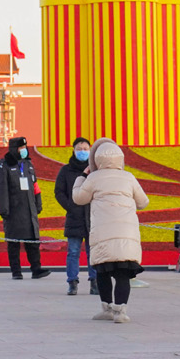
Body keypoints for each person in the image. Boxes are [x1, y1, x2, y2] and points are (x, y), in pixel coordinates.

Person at [75, 137, 150, 323]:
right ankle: (121, 312)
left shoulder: (93, 177)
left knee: (103, 271)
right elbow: (143, 202)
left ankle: (106, 308)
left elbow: (78, 198)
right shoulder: (129, 177)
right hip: (127, 233)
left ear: (97, 159)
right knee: (123, 274)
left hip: (103, 233)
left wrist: (81, 177)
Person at [0, 136, 50, 280]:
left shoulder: (28, 165)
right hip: (14, 211)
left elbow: (35, 186)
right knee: (14, 242)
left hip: (30, 210)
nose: (24, 151)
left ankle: (36, 269)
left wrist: (38, 203)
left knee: (33, 241)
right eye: (21, 148)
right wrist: (4, 210)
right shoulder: (4, 166)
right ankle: (16, 271)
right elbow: (1, 190)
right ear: (14, 149)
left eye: (25, 147)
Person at [55, 136, 94, 296]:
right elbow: (59, 191)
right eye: (79, 149)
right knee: (73, 251)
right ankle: (72, 282)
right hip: (74, 217)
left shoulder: (95, 170)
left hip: (92, 217)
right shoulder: (66, 170)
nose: (83, 152)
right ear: (73, 150)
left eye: (85, 149)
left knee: (93, 252)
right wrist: (70, 206)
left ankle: (95, 282)